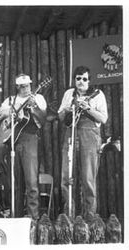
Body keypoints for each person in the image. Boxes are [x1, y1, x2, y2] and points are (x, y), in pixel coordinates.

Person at [58, 66, 108, 216]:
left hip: (90, 136)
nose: (81, 81)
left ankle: (90, 216)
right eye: (78, 78)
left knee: (88, 177)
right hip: (70, 133)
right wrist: (67, 110)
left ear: (89, 81)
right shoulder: (69, 93)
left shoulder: (98, 95)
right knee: (66, 176)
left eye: (84, 79)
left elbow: (103, 119)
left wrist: (88, 108)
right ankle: (69, 214)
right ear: (74, 80)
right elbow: (60, 117)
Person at [0, 73, 47, 219]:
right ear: (17, 86)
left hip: (30, 139)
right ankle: (15, 215)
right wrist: (11, 111)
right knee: (15, 182)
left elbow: (43, 119)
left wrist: (34, 107)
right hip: (12, 141)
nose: (27, 89)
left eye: (29, 85)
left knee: (31, 181)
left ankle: (33, 217)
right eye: (23, 86)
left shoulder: (37, 98)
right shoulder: (10, 100)